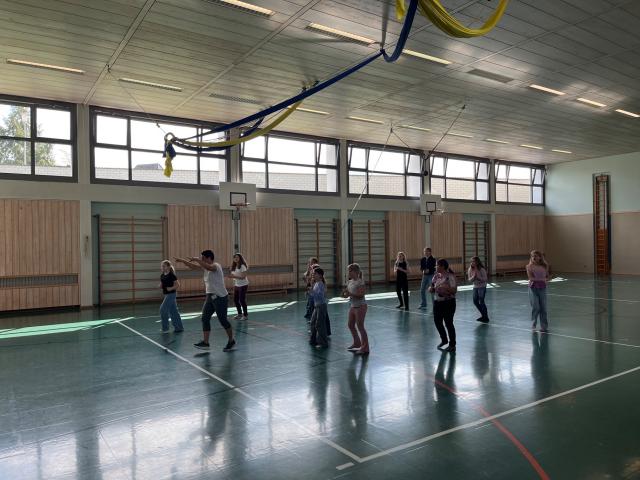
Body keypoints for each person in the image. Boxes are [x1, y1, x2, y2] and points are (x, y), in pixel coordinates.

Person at [175, 250, 236, 351]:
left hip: (220, 297)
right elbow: (193, 267)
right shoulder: (205, 268)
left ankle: (231, 340)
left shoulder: (216, 266)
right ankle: (206, 342)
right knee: (205, 318)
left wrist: (197, 260)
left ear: (209, 258)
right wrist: (182, 261)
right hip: (210, 296)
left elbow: (209, 267)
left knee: (223, 320)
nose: (201, 260)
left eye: (203, 258)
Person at [430, 259, 457, 353]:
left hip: (448, 303)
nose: (436, 267)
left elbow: (454, 291)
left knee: (448, 323)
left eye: (437, 265)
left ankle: (452, 345)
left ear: (442, 266)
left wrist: (447, 288)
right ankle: (444, 339)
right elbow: (433, 286)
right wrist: (431, 289)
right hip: (437, 302)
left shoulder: (450, 276)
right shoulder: (436, 276)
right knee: (437, 322)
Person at [343, 263, 369, 355]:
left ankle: (365, 348)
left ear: (355, 272)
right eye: (348, 271)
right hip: (353, 306)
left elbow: (361, 295)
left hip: (360, 306)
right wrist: (344, 294)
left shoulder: (360, 282)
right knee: (350, 325)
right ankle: (357, 342)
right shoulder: (349, 282)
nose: (349, 273)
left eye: (350, 271)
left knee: (360, 326)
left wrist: (350, 294)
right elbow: (347, 293)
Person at [526, 250, 550, 332]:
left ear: (540, 257)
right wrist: (542, 279)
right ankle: (534, 323)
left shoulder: (545, 266)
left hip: (542, 288)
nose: (534, 257)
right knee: (536, 307)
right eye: (532, 256)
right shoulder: (529, 266)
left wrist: (547, 279)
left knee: (543, 308)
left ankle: (544, 326)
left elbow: (547, 276)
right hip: (533, 288)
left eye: (536, 256)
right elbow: (531, 278)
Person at [159, 260, 184, 333]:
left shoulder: (172, 275)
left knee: (163, 309)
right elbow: (162, 284)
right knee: (174, 311)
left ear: (168, 267)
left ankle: (165, 328)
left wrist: (171, 288)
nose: (162, 267)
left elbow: (177, 285)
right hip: (166, 294)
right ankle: (179, 328)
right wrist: (160, 285)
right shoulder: (162, 275)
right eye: (162, 266)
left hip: (172, 294)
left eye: (164, 266)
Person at [309, 267, 329, 349]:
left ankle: (323, 343)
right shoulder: (316, 283)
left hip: (321, 306)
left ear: (320, 275)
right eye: (313, 273)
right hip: (316, 306)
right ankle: (313, 340)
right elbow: (314, 295)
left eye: (315, 273)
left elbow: (320, 296)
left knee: (320, 325)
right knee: (313, 323)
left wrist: (312, 292)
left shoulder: (321, 284)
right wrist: (310, 293)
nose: (313, 275)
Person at [468, 256, 489, 323]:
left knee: (481, 301)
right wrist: (473, 278)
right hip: (475, 286)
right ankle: (483, 315)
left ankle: (485, 317)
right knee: (475, 301)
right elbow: (469, 279)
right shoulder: (470, 269)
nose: (472, 263)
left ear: (477, 262)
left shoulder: (481, 269)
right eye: (471, 261)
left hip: (482, 286)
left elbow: (485, 279)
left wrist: (479, 278)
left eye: (473, 261)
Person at [229, 253, 249, 320]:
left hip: (243, 285)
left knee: (242, 300)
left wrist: (233, 276)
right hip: (237, 285)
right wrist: (231, 275)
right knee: (235, 300)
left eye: (237, 257)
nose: (236, 258)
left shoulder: (242, 266)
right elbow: (233, 275)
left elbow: (243, 277)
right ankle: (239, 314)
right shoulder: (234, 266)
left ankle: (245, 315)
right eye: (234, 257)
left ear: (240, 258)